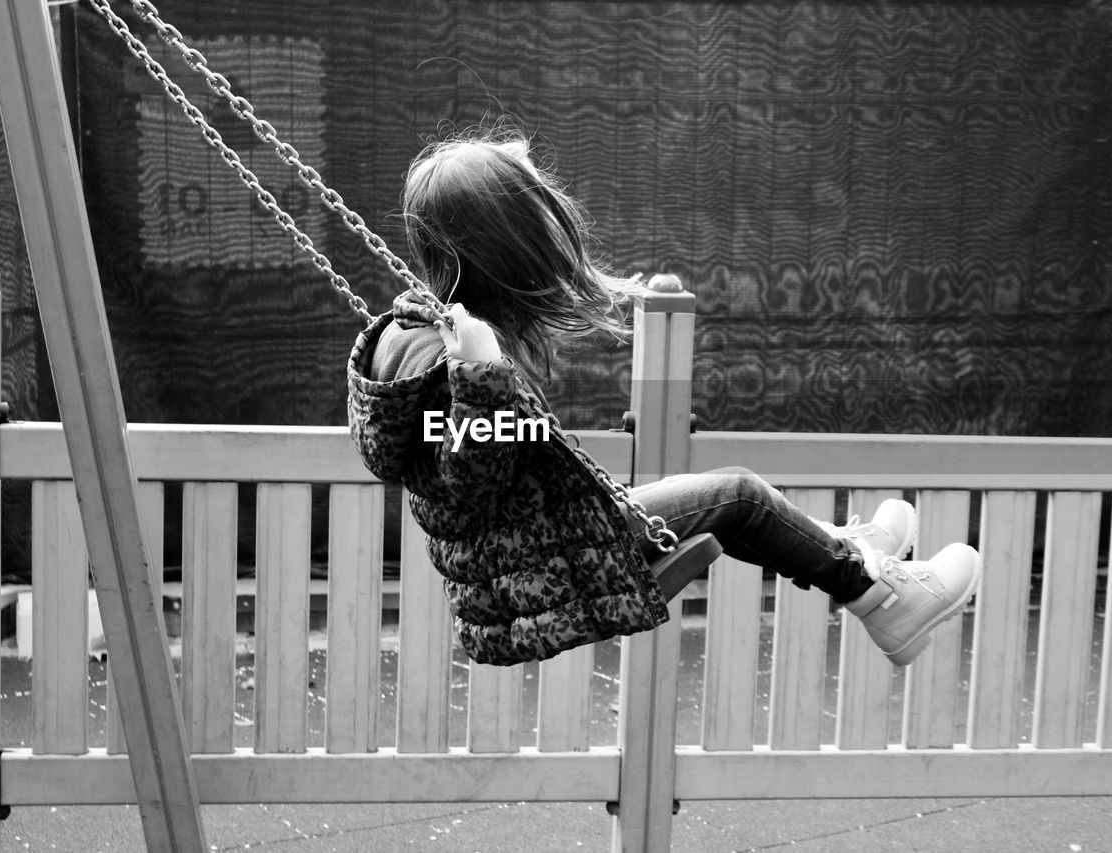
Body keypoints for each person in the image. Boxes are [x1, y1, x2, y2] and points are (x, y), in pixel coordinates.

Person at [347, 130, 981, 668]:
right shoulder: (442, 353)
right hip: (548, 560)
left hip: (544, 544)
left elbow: (477, 457)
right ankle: (886, 600)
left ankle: (842, 548)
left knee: (736, 502)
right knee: (739, 495)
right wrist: (483, 376)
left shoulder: (421, 336)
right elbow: (463, 474)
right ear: (505, 247)